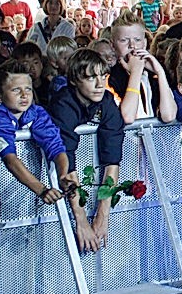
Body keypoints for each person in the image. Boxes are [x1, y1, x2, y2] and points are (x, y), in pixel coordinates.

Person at [49, 48, 125, 252]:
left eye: (103, 76)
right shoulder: (63, 103)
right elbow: (66, 159)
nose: (100, 84)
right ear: (74, 80)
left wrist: (103, 214)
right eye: (91, 78)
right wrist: (80, 220)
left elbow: (113, 158)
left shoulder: (107, 100)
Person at [0, 60, 71, 204]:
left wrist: (63, 176)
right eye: (16, 90)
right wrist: (42, 190)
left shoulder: (37, 112)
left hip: (28, 193)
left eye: (28, 89)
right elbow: (10, 158)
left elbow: (55, 146)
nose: (24, 95)